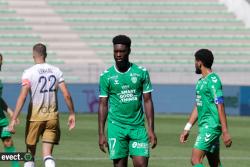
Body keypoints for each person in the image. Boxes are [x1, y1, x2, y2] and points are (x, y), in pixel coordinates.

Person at [8, 43, 76, 167]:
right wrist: (72, 113)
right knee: (47, 154)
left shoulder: (28, 72)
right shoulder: (56, 71)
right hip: (52, 118)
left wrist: (13, 119)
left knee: (29, 154)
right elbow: (66, 94)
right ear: (46, 55)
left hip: (35, 118)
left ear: (33, 55)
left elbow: (22, 97)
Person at [98, 35, 157, 167]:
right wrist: (101, 133)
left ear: (129, 51)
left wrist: (151, 129)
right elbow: (103, 104)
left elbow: (147, 101)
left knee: (142, 164)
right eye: (116, 51)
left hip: (137, 127)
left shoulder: (141, 73)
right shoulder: (106, 76)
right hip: (116, 127)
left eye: (122, 51)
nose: (118, 55)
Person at [179, 49, 232, 167]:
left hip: (211, 127)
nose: (194, 64)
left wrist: (225, 131)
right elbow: (198, 106)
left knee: (195, 159)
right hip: (205, 126)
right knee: (214, 163)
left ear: (200, 62)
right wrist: (187, 128)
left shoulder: (213, 80)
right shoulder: (201, 82)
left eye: (195, 61)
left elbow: (220, 105)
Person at [0, 53, 20, 167]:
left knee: (8, 142)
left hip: (1, 120)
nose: (2, 63)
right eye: (0, 60)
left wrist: (10, 112)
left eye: (1, 60)